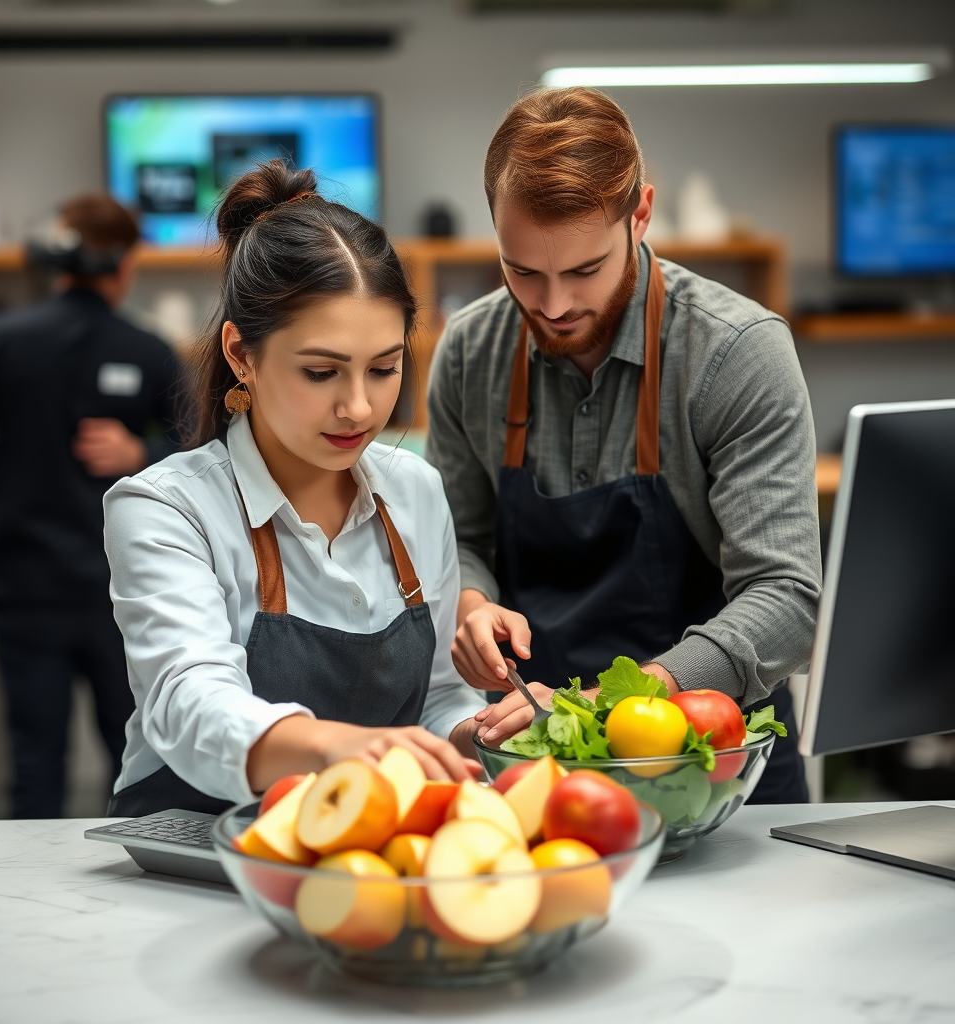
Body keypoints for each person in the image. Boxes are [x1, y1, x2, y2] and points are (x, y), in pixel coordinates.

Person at [425, 88, 822, 802]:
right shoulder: (468, 353)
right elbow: (459, 540)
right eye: (523, 272)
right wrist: (472, 604)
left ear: (639, 214)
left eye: (583, 271)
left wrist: (622, 710)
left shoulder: (735, 353)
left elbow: (786, 598)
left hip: (715, 769)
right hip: (538, 761)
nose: (551, 306)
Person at [102, 161, 486, 817]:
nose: (360, 408)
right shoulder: (166, 508)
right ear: (241, 354)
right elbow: (189, 700)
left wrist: (476, 735)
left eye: (385, 368)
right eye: (321, 372)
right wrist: (333, 746)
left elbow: (440, 697)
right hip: (190, 861)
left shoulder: (416, 492)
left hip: (359, 860)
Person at [0, 193, 181, 818]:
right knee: (135, 755)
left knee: (35, 759)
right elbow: (200, 450)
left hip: (24, 584)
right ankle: (132, 893)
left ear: (60, 261)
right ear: (123, 264)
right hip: (124, 589)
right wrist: (140, 449)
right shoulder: (149, 348)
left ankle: (28, 905)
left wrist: (6, 467)